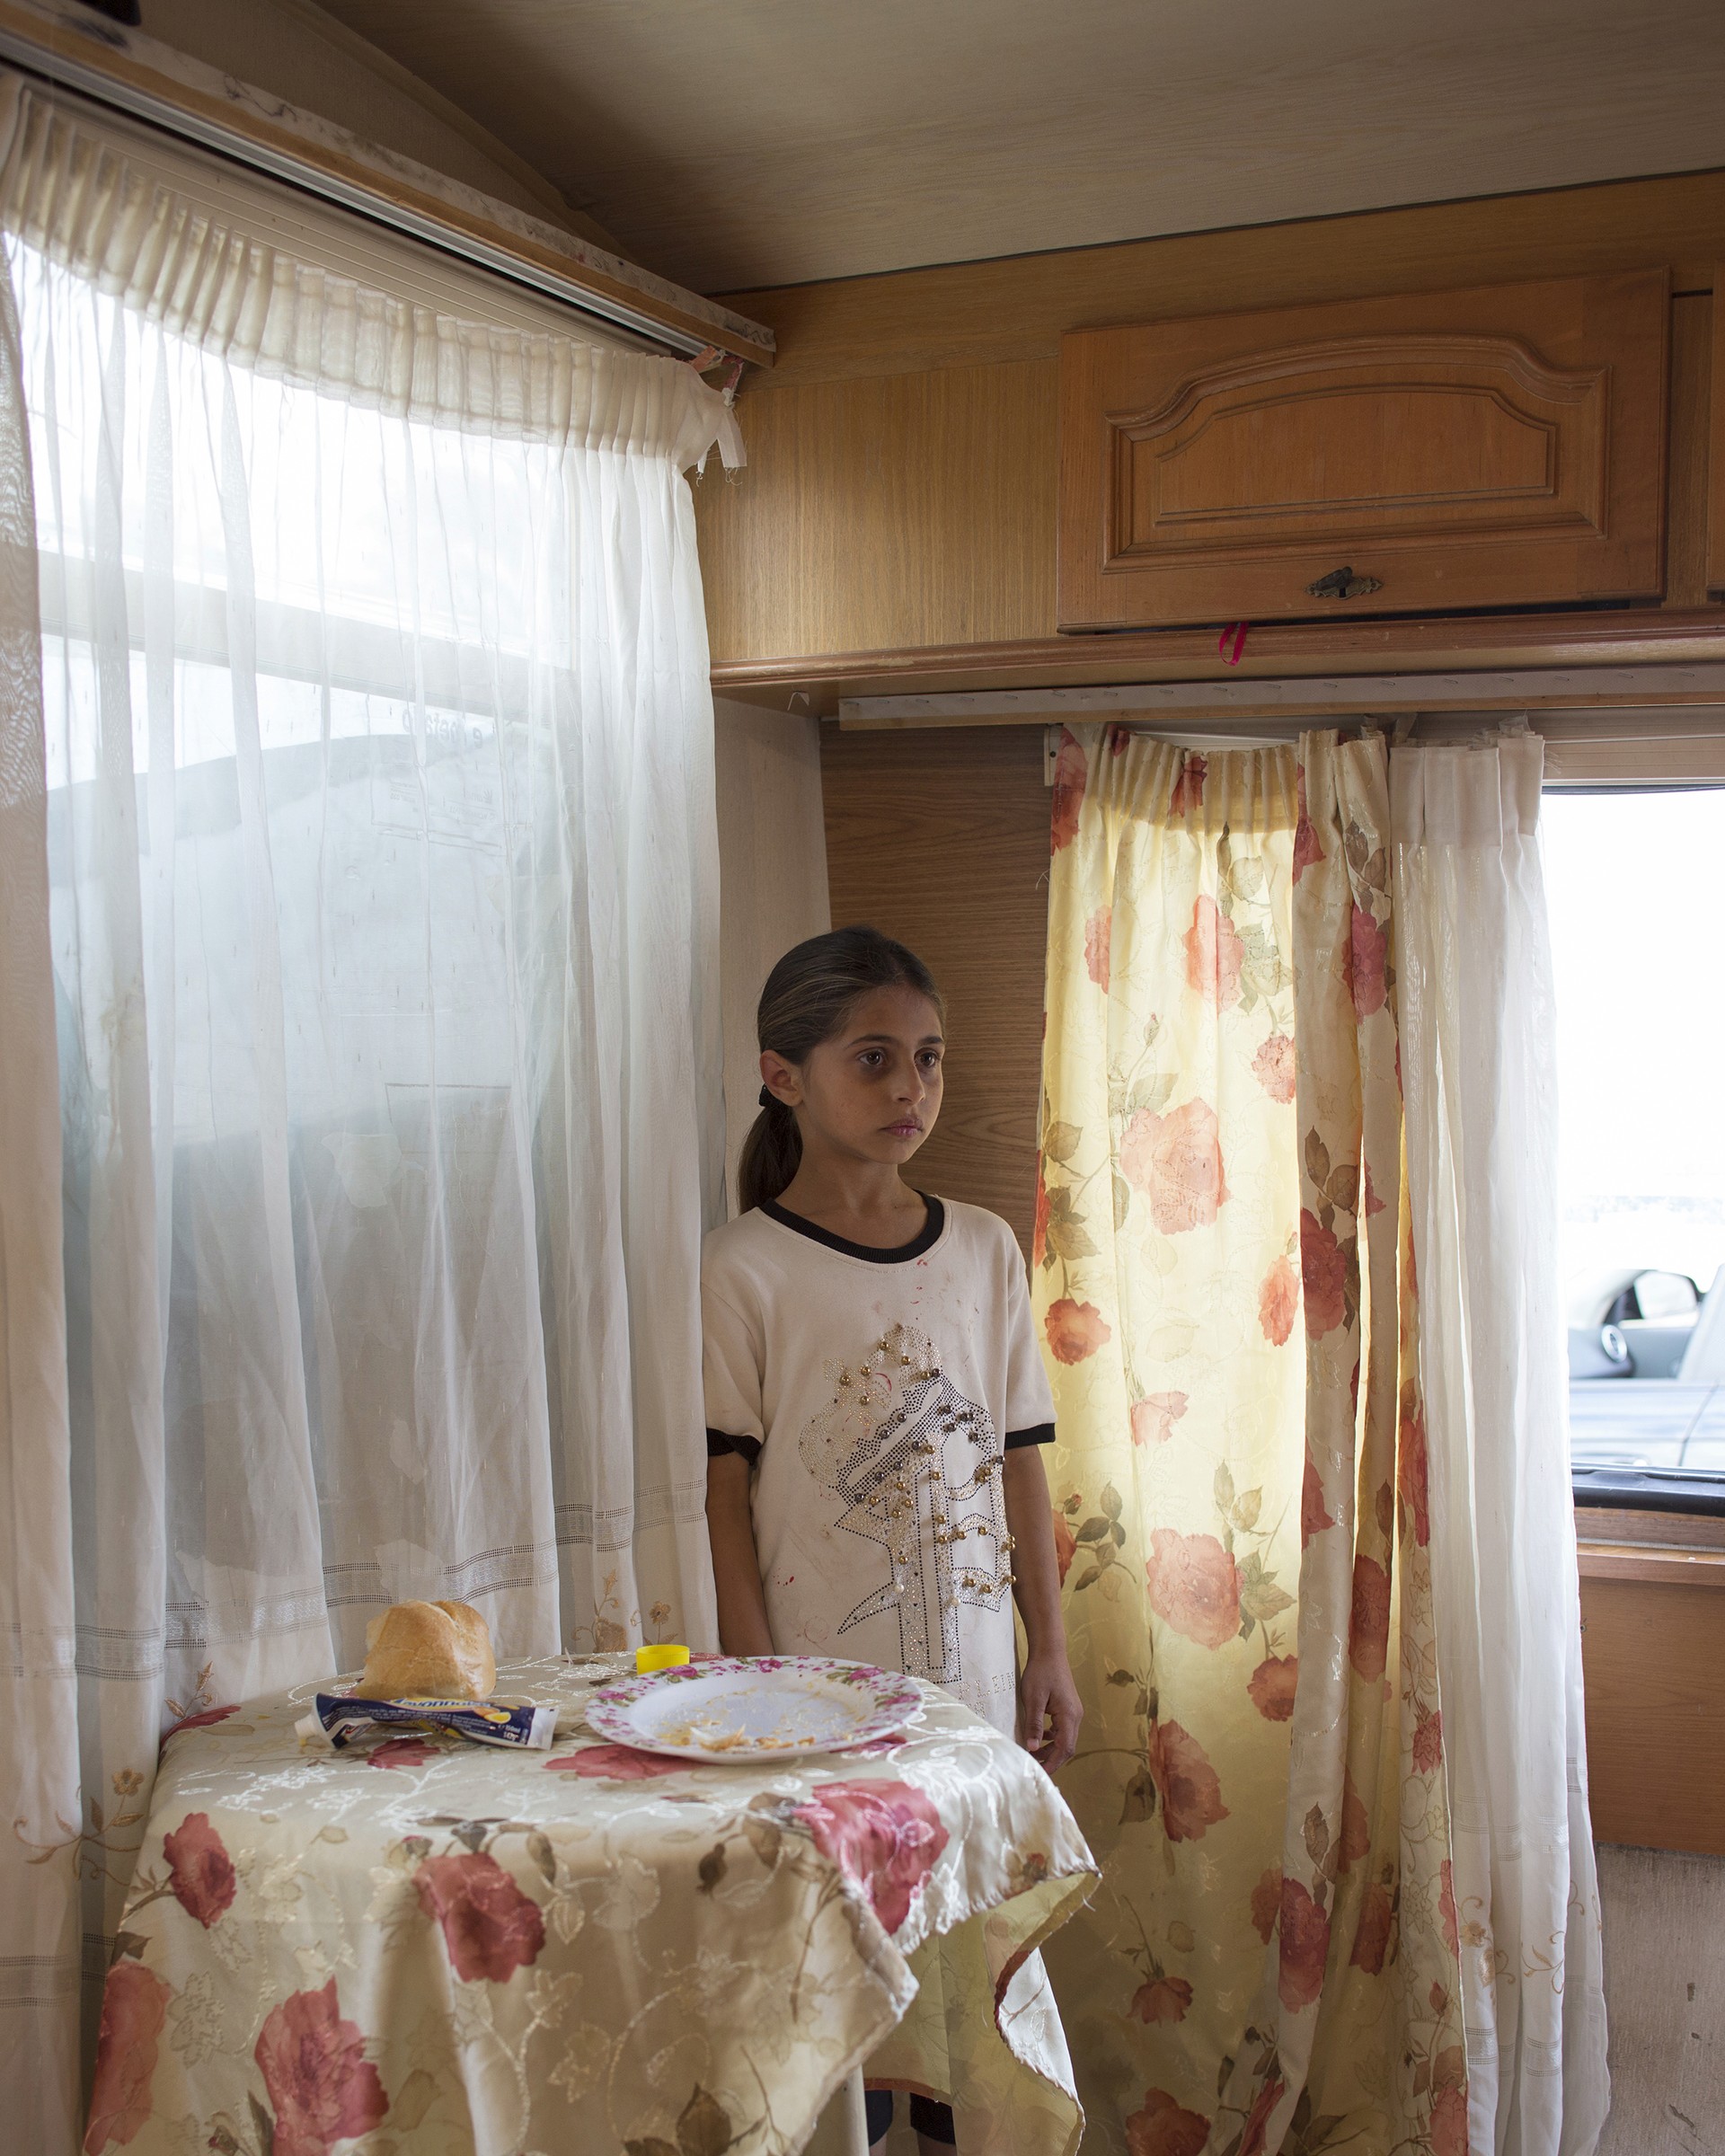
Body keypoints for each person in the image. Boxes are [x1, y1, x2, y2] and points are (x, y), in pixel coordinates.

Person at [703, 924, 1081, 2156]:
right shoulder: (742, 1268)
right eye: (873, 1058)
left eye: (927, 1057)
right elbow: (722, 1495)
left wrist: (1048, 1650)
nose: (911, 1086)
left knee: (969, 2009)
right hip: (819, 1706)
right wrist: (757, 1685)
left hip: (969, 1698)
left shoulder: (983, 1248)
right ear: (784, 1076)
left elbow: (1020, 1461)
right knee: (848, 2013)